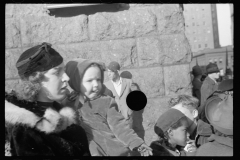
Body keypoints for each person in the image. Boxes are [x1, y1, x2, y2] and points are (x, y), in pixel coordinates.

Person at [5, 42, 90, 156]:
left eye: (64, 71)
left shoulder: (66, 113)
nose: (66, 78)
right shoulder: (27, 130)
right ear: (36, 79)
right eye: (57, 72)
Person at [64, 58, 152, 156]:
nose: (96, 84)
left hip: (111, 152)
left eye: (98, 79)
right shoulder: (69, 105)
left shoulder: (105, 102)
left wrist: (136, 143)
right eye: (89, 80)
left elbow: (120, 126)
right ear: (76, 82)